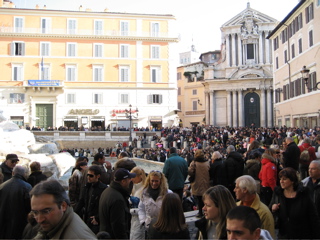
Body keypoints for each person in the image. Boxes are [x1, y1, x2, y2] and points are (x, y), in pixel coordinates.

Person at [29, 179, 97, 239]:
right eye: (35, 212)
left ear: (63, 206)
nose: (40, 220)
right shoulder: (54, 226)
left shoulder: (78, 236)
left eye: (46, 211)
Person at [270, 167, 320, 239]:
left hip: (302, 234)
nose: (281, 181)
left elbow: (313, 215)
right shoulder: (278, 193)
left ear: (292, 180)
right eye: (280, 179)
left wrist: (316, 235)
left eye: (284, 179)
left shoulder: (303, 193)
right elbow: (270, 208)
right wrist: (273, 209)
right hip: (283, 234)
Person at [99, 168, 136, 239]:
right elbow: (118, 226)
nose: (130, 181)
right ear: (123, 181)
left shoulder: (107, 191)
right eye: (129, 179)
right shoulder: (118, 199)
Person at [0, 165, 32, 239]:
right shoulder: (27, 187)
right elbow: (30, 206)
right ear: (24, 174)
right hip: (20, 223)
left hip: (3, 222)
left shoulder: (2, 186)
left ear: (13, 173)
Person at [75, 165, 107, 234]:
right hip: (87, 219)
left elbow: (105, 206)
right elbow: (81, 202)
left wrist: (97, 217)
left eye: (91, 176)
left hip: (96, 221)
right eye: (88, 175)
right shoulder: (87, 187)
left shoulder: (103, 189)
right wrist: (74, 214)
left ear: (98, 176)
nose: (88, 177)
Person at [188, 149, 210, 218]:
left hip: (197, 182)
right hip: (206, 183)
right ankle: (206, 212)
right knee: (205, 198)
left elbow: (190, 172)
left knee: (199, 198)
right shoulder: (207, 162)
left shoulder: (194, 163)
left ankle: (200, 212)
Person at [130, 167, 147, 240]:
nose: (131, 179)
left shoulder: (144, 190)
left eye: (133, 177)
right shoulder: (134, 188)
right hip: (134, 219)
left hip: (140, 220)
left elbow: (145, 208)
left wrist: (130, 210)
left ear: (140, 177)